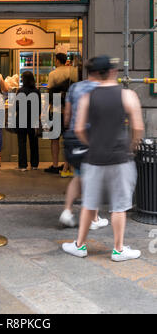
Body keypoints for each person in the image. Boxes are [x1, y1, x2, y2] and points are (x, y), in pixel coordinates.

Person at [62, 56, 144, 262]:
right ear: (112, 72)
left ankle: (79, 245)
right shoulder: (128, 95)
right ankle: (118, 249)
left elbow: (79, 128)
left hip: (94, 158)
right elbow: (138, 127)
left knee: (90, 203)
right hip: (120, 157)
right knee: (119, 206)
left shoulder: (87, 98)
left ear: (95, 74)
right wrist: (132, 145)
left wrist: (91, 143)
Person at [59, 57, 109, 230]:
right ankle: (93, 219)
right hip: (92, 138)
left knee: (79, 175)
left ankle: (67, 211)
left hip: (73, 138)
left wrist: (70, 127)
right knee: (93, 177)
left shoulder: (74, 87)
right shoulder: (102, 89)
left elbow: (66, 116)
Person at [45, 53, 78, 175]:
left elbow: (49, 92)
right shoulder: (73, 71)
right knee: (68, 138)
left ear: (58, 61)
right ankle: (67, 165)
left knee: (54, 139)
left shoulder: (53, 73)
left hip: (57, 109)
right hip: (71, 108)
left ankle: (55, 165)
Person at [16, 71, 41, 171]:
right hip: (33, 119)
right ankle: (34, 164)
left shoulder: (20, 91)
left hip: (22, 119)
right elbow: (39, 107)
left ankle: (23, 166)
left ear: (23, 79)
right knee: (34, 143)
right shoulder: (36, 91)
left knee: (22, 143)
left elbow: (16, 106)